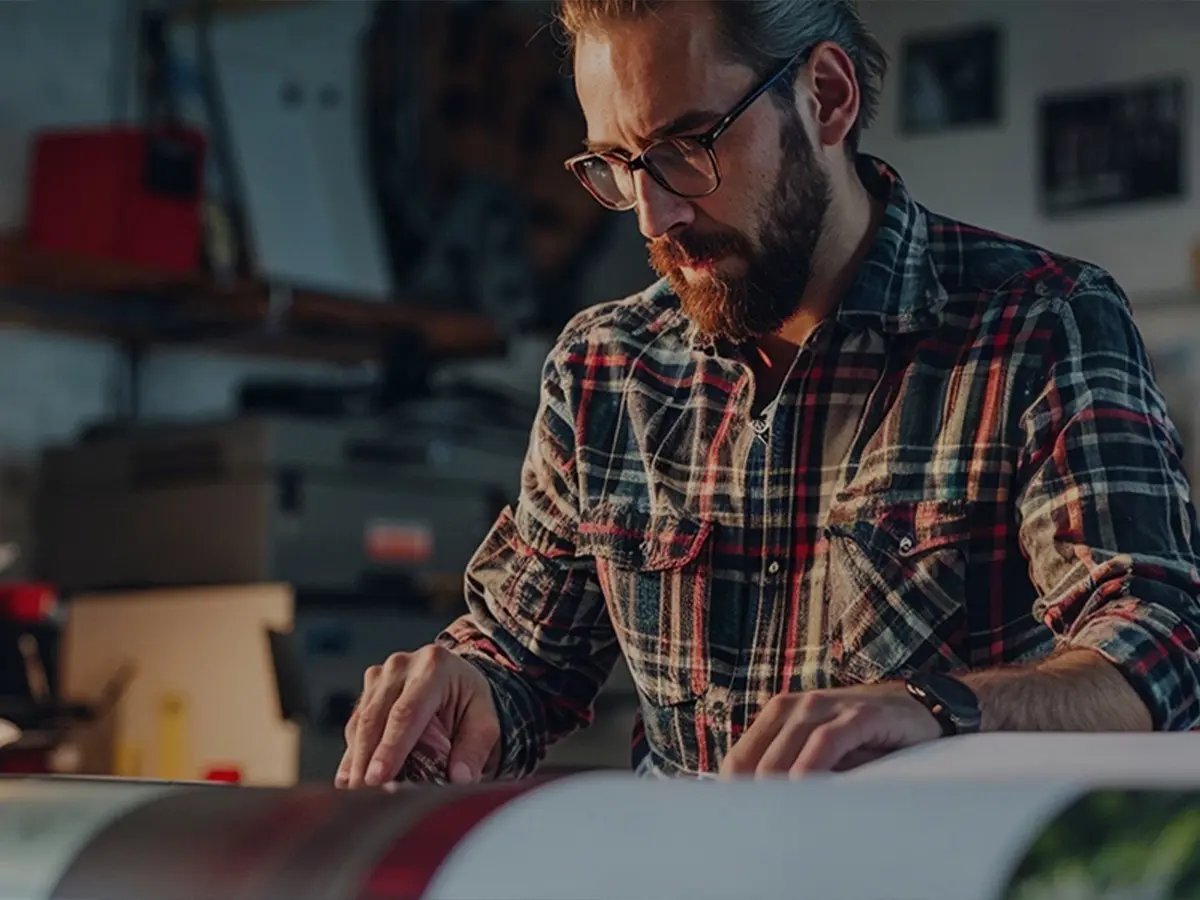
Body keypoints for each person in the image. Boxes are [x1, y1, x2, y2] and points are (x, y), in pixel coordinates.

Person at [337, 0, 1200, 788]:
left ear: (826, 97)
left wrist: (938, 711)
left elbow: (1162, 653)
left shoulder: (1042, 324)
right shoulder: (604, 368)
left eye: (685, 149)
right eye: (618, 165)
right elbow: (524, 661)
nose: (654, 217)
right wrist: (464, 690)